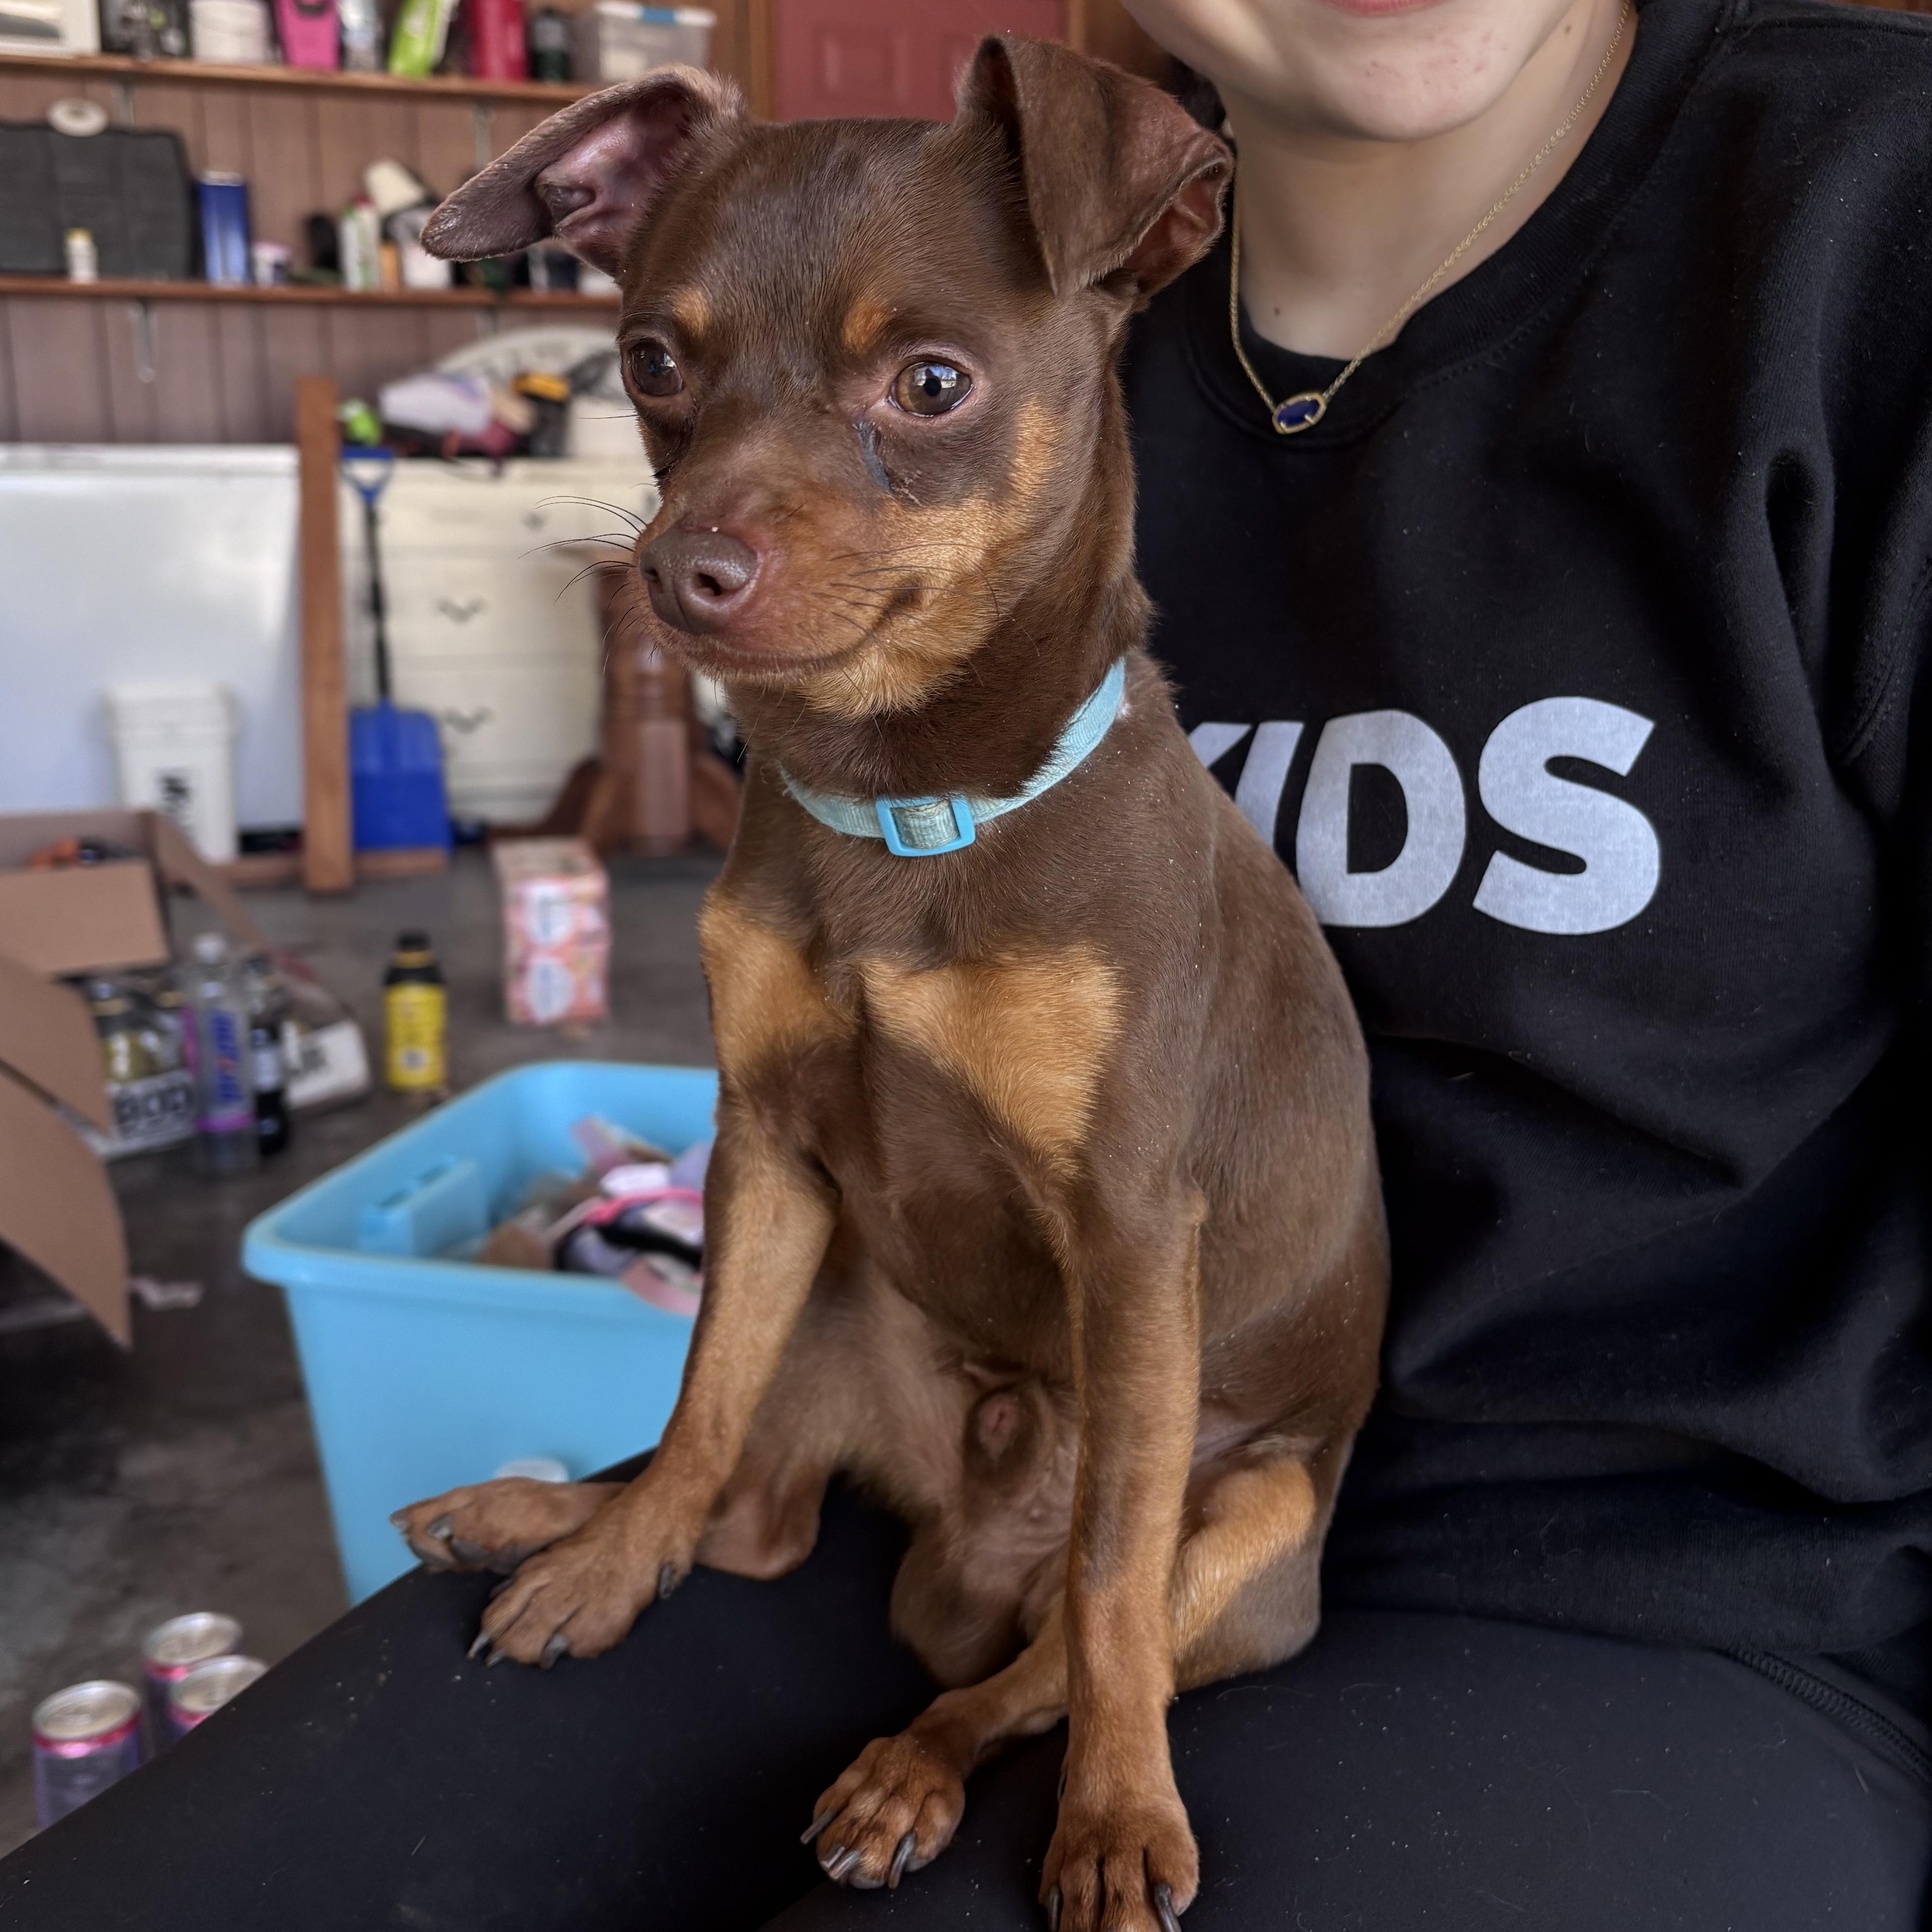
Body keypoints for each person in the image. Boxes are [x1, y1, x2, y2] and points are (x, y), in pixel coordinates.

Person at [2, 0, 1925, 1926]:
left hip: (1659, 1593)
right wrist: (700, 1475)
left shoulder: (1868, 226)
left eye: (920, 391)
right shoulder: (954, 229)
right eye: (670, 378)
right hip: (936, 1448)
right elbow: (797, 1112)